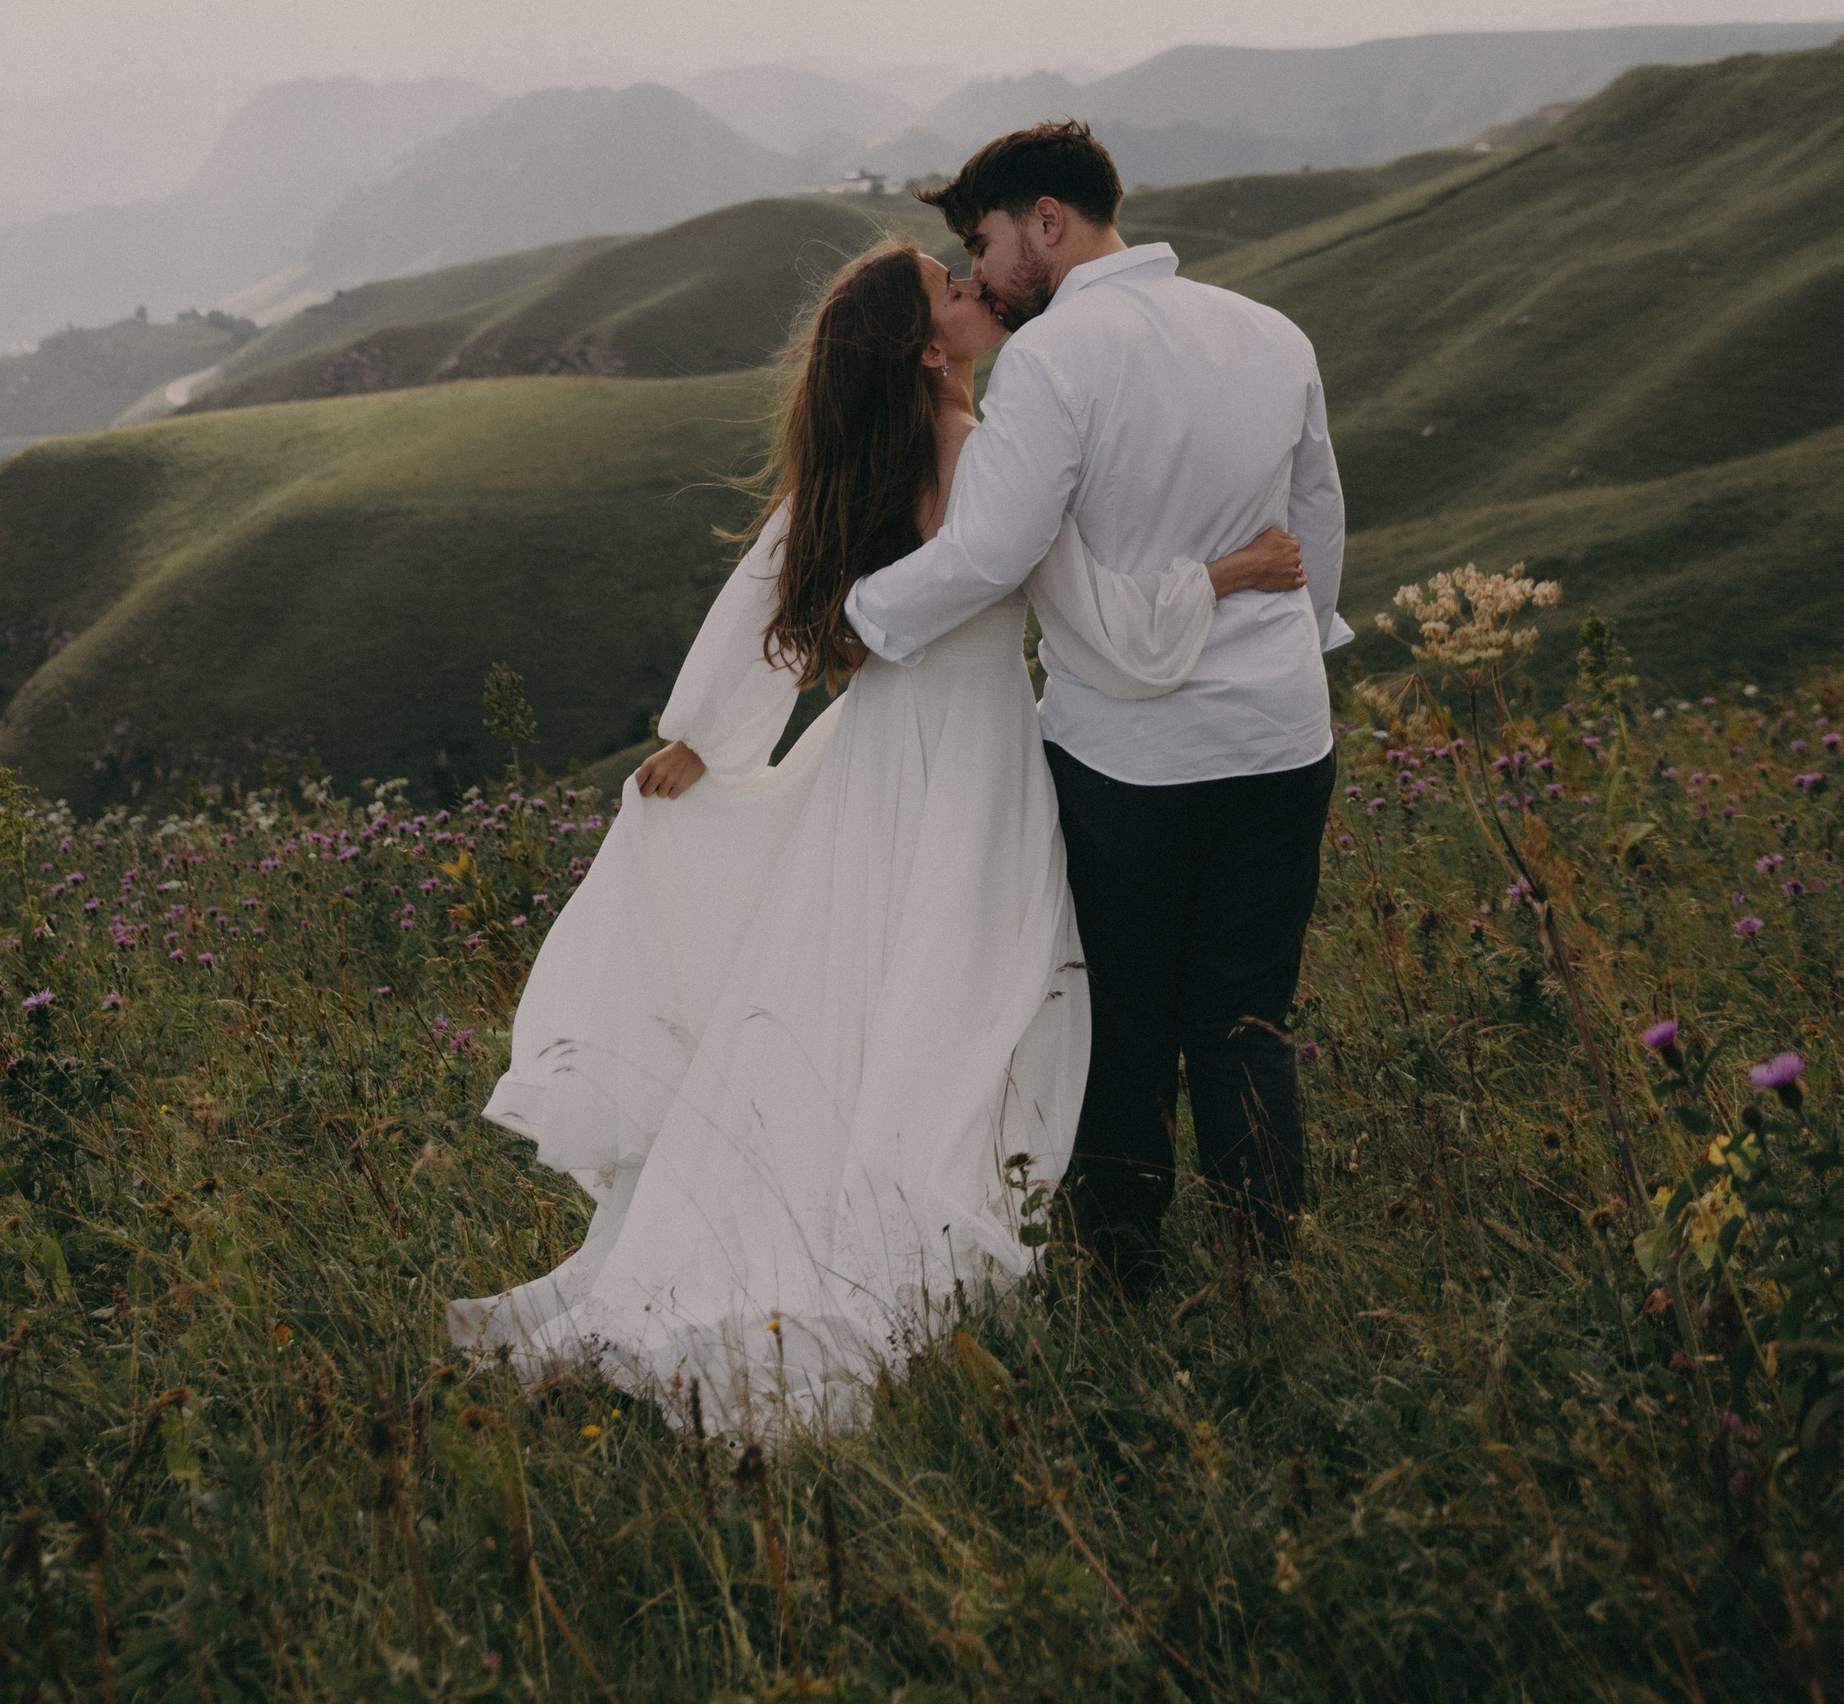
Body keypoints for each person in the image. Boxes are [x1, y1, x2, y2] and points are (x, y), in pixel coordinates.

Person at [447, 238, 1302, 1430]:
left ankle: (855, 1204)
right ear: (925, 347)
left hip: (875, 751)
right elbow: (1103, 622)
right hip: (976, 757)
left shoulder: (867, 460)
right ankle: (944, 1214)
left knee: (849, 985)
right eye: (951, 289)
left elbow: (767, 584)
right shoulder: (987, 454)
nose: (975, 288)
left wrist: (705, 733)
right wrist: (1231, 570)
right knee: (963, 984)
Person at [844, 120, 1350, 1294]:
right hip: (1281, 739)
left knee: (1120, 1017)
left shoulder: (1054, 357)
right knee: (1246, 1015)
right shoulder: (1269, 330)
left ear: (1047, 220)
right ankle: (1266, 1275)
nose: (980, 273)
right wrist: (1297, 646)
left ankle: (1121, 1276)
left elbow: (992, 548)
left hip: (1128, 758)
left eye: (983, 241)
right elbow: (1316, 515)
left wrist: (860, 612)